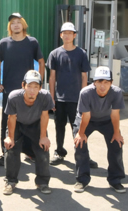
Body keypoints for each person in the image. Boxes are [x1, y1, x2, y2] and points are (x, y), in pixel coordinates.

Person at [0, 12, 45, 165]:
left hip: (28, 91)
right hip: (9, 91)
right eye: (12, 23)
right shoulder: (4, 43)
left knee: (30, 121)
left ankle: (30, 152)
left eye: (18, 22)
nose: (16, 25)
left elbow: (42, 62)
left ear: (23, 24)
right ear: (10, 26)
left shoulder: (32, 42)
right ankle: (6, 152)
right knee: (7, 122)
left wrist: (38, 84)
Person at [48, 22, 97, 169]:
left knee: (79, 128)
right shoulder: (55, 54)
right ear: (61, 35)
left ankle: (82, 155)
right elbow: (52, 77)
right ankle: (59, 152)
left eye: (71, 33)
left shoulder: (81, 53)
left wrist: (84, 97)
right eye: (65, 33)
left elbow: (84, 77)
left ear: (74, 35)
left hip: (76, 99)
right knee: (59, 126)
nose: (68, 35)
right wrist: (51, 98)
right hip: (60, 98)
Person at [73, 66, 126, 194]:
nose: (103, 86)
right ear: (94, 82)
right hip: (87, 120)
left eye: (106, 82)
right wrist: (81, 134)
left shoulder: (117, 92)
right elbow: (86, 116)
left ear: (111, 83)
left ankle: (115, 179)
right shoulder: (85, 92)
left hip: (107, 120)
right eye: (99, 82)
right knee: (80, 145)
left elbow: (115, 114)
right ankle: (82, 179)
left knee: (116, 145)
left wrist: (117, 133)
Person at [2, 70, 54, 196]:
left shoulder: (45, 96)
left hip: (36, 124)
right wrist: (10, 137)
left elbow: (45, 116)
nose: (32, 90)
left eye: (36, 87)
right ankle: (10, 181)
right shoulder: (14, 97)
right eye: (29, 86)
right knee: (12, 150)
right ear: (23, 85)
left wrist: (43, 137)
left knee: (43, 150)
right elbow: (11, 118)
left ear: (40, 88)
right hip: (18, 123)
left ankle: (42, 182)